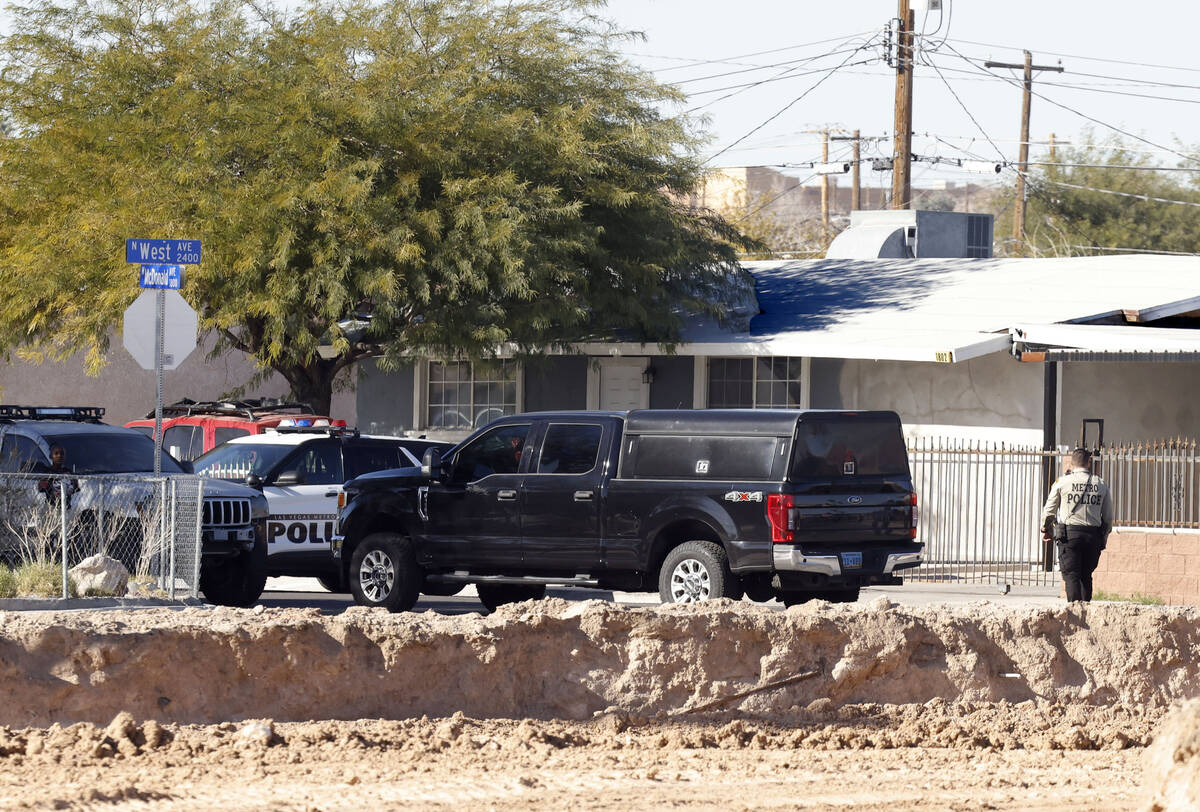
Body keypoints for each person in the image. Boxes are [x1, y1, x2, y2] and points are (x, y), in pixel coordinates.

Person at [1040, 447, 1113, 602]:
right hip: (1092, 536)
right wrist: (1103, 539)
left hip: (1069, 536)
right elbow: (1107, 518)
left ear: (1072, 463)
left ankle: (1075, 614)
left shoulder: (1062, 483)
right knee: (1086, 575)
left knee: (1071, 575)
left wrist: (1045, 530)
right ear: (1088, 463)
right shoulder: (1101, 484)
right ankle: (1086, 610)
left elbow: (1049, 511)